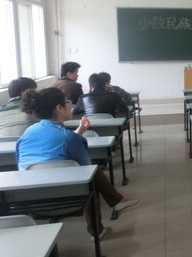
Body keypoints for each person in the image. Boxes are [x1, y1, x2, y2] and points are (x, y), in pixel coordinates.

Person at [16, 88, 139, 240]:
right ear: (59, 108)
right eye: (67, 102)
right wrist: (77, 137)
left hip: (32, 197)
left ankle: (116, 201)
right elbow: (87, 170)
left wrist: (79, 131)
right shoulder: (68, 137)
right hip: (69, 197)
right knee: (92, 174)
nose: (70, 104)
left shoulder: (26, 134)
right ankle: (96, 230)